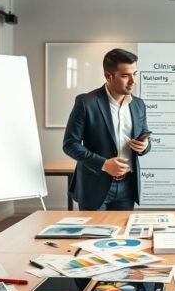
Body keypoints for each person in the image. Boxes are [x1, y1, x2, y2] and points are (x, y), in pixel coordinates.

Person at [63, 49, 151, 210]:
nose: (133, 81)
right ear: (108, 76)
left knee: (122, 235)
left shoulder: (139, 104)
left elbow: (144, 138)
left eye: (135, 74)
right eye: (125, 76)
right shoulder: (86, 102)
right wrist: (103, 164)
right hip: (94, 186)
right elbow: (70, 144)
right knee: (93, 235)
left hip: (128, 187)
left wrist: (145, 146)